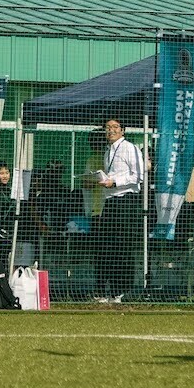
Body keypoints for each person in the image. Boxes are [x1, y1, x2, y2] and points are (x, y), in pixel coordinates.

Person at [83, 117, 146, 304]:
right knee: (107, 245)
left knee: (123, 246)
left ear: (122, 130)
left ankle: (123, 290)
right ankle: (106, 291)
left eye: (114, 127)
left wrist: (115, 182)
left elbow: (139, 175)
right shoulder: (108, 151)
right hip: (109, 200)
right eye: (108, 127)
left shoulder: (130, 148)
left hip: (125, 201)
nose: (110, 131)